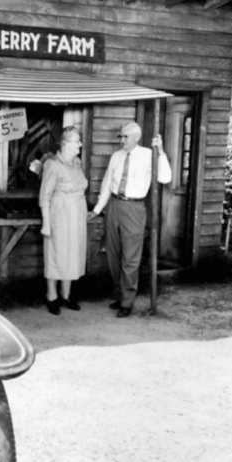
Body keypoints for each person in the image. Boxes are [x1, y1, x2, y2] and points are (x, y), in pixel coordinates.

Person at [89, 121, 172, 317]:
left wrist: (160, 152)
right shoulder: (116, 156)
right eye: (121, 136)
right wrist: (98, 209)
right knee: (113, 254)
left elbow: (165, 177)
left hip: (135, 208)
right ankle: (119, 296)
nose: (122, 140)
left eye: (125, 137)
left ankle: (127, 301)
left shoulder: (148, 155)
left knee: (131, 257)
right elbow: (107, 183)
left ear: (136, 137)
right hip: (114, 207)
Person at [39, 126, 88, 315]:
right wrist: (45, 224)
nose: (80, 144)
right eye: (77, 141)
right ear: (66, 144)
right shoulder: (52, 164)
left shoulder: (77, 163)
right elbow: (45, 196)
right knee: (56, 254)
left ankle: (66, 296)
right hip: (59, 215)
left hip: (76, 216)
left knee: (72, 255)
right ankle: (51, 296)